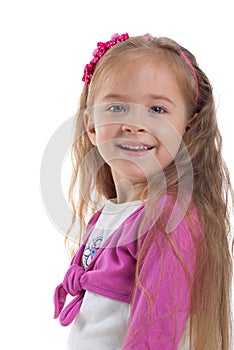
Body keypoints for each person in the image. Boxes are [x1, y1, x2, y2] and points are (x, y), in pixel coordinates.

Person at [53, 33, 233, 349]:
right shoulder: (108, 216)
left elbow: (155, 335)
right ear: (92, 126)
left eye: (157, 110)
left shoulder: (168, 217)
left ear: (187, 128)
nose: (134, 124)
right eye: (117, 107)